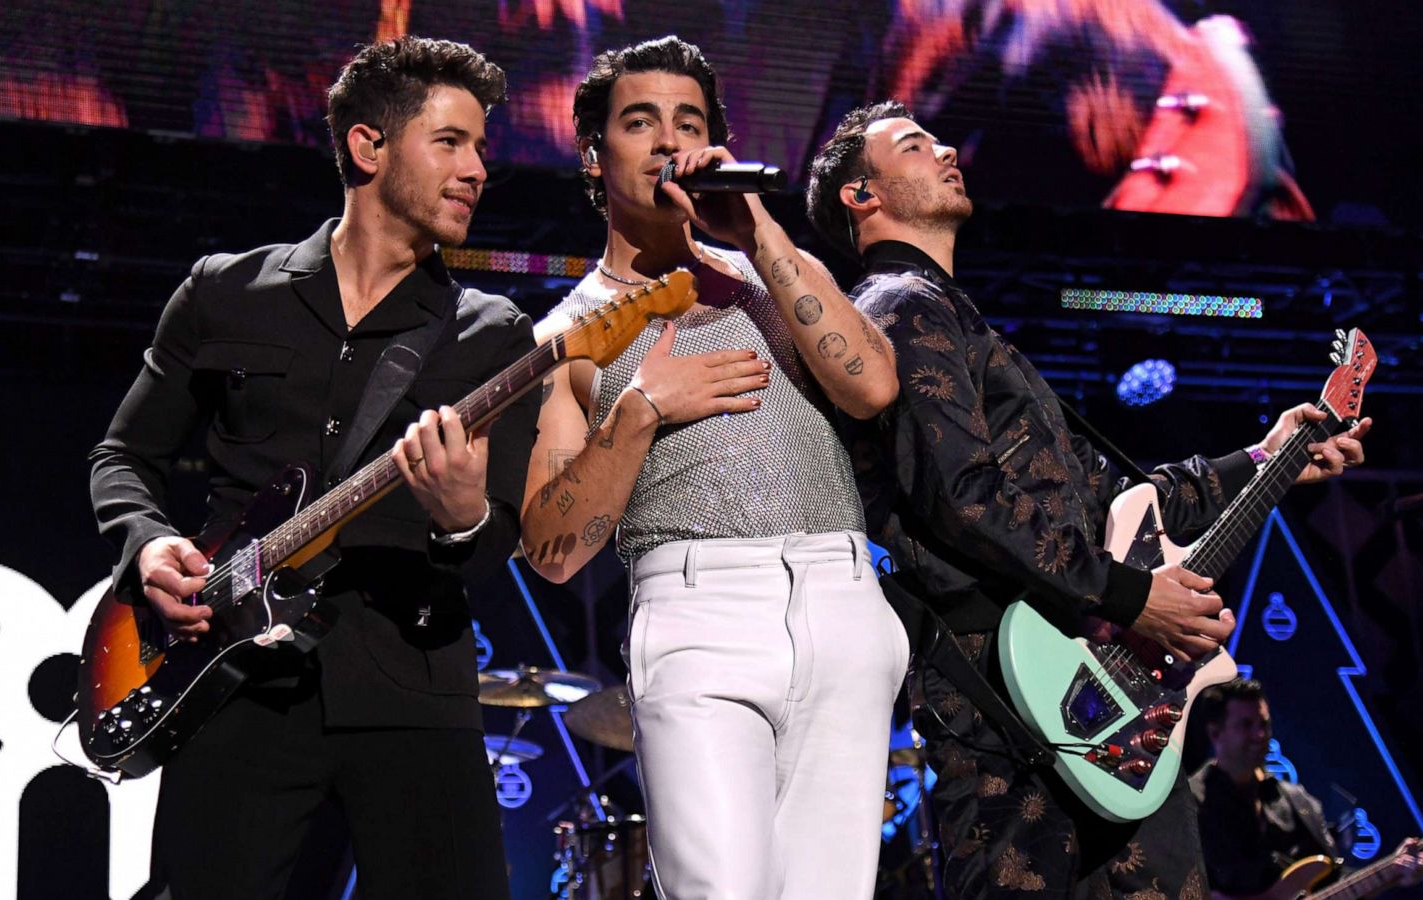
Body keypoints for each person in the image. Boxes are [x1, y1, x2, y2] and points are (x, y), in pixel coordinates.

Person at [804, 100, 1372, 900]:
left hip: (1105, 703)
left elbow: (1122, 503)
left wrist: (1268, 459)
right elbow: (965, 498)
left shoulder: (963, 324)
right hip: (1005, 715)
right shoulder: (898, 307)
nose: (947, 149)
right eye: (914, 143)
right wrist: (1137, 598)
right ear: (862, 196)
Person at [87, 37, 537, 900]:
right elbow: (123, 456)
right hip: (234, 694)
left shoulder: (494, 335)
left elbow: (492, 546)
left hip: (412, 697)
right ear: (368, 147)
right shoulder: (224, 290)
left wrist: (464, 517)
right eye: (450, 142)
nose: (478, 169)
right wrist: (146, 548)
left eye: (481, 147)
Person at [520, 35, 907, 900]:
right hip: (701, 613)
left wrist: (758, 235)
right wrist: (640, 411)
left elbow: (873, 385)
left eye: (689, 123)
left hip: (843, 604)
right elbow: (550, 547)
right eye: (640, 121)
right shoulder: (567, 335)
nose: (668, 141)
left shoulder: (773, 275)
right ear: (593, 154)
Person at [1191, 679, 1339, 897]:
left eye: (1264, 724)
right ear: (1215, 733)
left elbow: (1334, 878)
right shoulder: (1189, 803)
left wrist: (1392, 872)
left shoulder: (1295, 800)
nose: (1260, 735)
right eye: (1246, 725)